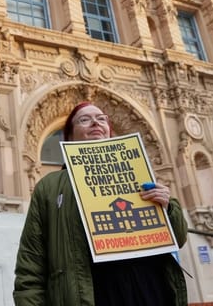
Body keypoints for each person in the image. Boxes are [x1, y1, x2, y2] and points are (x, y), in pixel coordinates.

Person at [13, 102, 188, 306]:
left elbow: (179, 237)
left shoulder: (140, 172)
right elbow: (32, 259)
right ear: (69, 137)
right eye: (84, 119)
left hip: (149, 287)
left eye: (102, 118)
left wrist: (168, 208)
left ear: (109, 132)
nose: (95, 122)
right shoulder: (50, 186)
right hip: (92, 293)